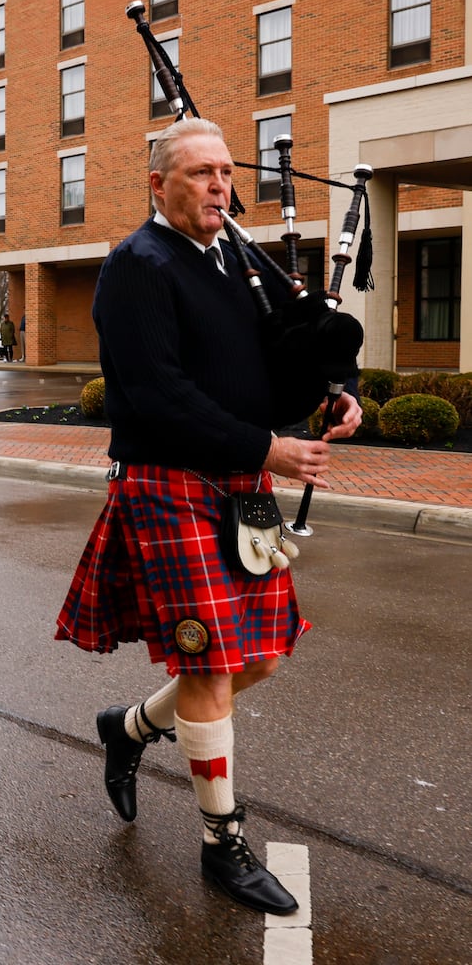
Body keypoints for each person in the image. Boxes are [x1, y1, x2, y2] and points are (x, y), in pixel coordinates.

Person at [54, 118, 363, 916]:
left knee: (258, 657)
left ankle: (127, 728)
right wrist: (267, 449)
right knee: (210, 667)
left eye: (224, 172)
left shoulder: (236, 258)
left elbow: (282, 354)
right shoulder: (135, 267)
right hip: (167, 483)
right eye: (198, 173)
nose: (217, 186)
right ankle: (221, 842)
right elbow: (157, 393)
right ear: (158, 185)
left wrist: (335, 388)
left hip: (237, 484)